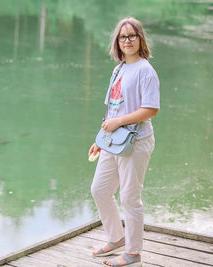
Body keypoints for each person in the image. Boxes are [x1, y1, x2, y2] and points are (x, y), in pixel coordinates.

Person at [88, 17, 160, 267]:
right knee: (100, 189)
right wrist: (101, 140)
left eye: (132, 36)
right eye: (122, 37)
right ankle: (116, 238)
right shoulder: (118, 69)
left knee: (130, 197)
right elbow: (112, 109)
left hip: (136, 141)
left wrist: (118, 123)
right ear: (117, 42)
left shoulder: (145, 70)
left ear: (140, 39)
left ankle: (133, 252)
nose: (127, 40)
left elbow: (151, 109)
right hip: (113, 141)